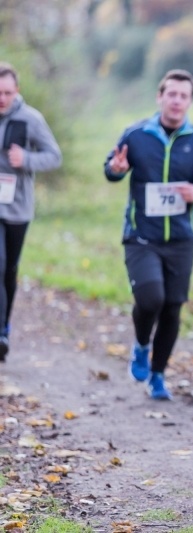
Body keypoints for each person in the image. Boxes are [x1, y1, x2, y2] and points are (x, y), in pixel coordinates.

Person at [104, 69, 193, 400]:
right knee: (150, 299)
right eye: (171, 94)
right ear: (160, 97)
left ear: (190, 101)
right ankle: (141, 346)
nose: (176, 101)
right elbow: (111, 168)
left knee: (172, 308)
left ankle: (157, 375)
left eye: (183, 96)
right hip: (141, 236)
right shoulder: (136, 135)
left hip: (181, 240)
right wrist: (115, 170)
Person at [0, 62, 62, 362]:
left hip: (17, 208)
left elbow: (54, 156)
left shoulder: (31, 119)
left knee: (8, 271)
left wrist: (25, 158)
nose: (1, 98)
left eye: (7, 92)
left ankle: (4, 327)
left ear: (17, 91)